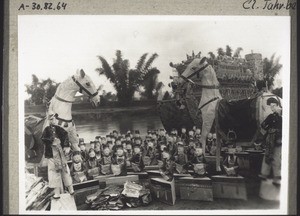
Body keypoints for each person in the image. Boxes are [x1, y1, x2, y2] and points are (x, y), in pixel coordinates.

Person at [41, 115, 78, 199]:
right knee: (53, 173)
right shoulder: (46, 130)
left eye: (53, 119)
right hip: (51, 155)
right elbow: (43, 139)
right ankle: (56, 193)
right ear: (48, 120)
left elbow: (65, 136)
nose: (52, 121)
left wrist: (66, 146)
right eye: (50, 119)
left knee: (65, 170)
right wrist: (51, 140)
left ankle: (71, 189)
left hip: (61, 154)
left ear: (55, 119)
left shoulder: (59, 129)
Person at [258, 97, 282, 186]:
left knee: (276, 158)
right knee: (267, 156)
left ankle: (277, 177)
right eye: (271, 106)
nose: (273, 108)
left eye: (274, 106)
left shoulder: (282, 118)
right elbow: (263, 125)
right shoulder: (270, 116)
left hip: (278, 139)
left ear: (277, 106)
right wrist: (269, 129)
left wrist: (279, 136)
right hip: (270, 139)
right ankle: (264, 174)